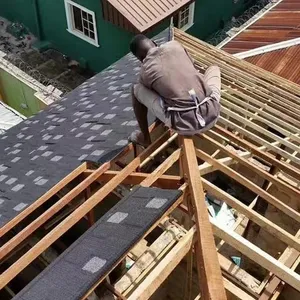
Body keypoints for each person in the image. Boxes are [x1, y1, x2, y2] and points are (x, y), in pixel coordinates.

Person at [129, 34, 221, 147]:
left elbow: (154, 93)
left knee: (136, 89)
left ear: (140, 58)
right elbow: (190, 66)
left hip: (184, 125)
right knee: (214, 68)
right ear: (154, 43)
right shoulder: (175, 45)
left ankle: (146, 139)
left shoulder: (146, 70)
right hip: (212, 111)